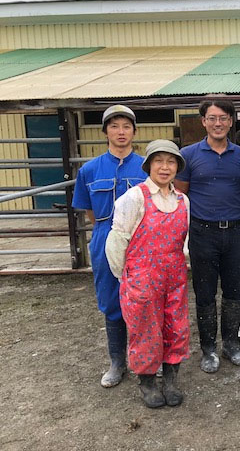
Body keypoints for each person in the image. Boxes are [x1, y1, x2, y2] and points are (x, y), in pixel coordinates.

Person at [105, 140, 190, 408]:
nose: (165, 167)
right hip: (142, 277)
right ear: (149, 165)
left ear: (177, 167)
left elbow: (183, 241)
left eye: (171, 162)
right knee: (145, 330)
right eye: (159, 161)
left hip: (174, 276)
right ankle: (148, 382)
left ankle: (171, 380)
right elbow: (117, 240)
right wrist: (126, 277)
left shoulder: (182, 200)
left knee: (175, 327)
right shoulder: (135, 198)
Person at [174, 99, 240, 373]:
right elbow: (181, 194)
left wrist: (230, 217)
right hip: (202, 234)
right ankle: (208, 349)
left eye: (223, 118)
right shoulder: (188, 155)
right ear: (203, 122)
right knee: (205, 292)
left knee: (233, 290)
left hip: (233, 233)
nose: (218, 123)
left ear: (231, 121)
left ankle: (231, 345)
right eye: (212, 118)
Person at [72, 105, 146, 388]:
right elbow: (89, 211)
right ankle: (117, 361)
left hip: (141, 239)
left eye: (126, 126)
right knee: (111, 301)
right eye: (114, 126)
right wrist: (110, 233)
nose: (121, 132)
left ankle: (144, 358)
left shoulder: (146, 166)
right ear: (105, 132)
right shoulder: (89, 170)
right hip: (105, 234)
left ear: (134, 131)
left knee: (142, 301)